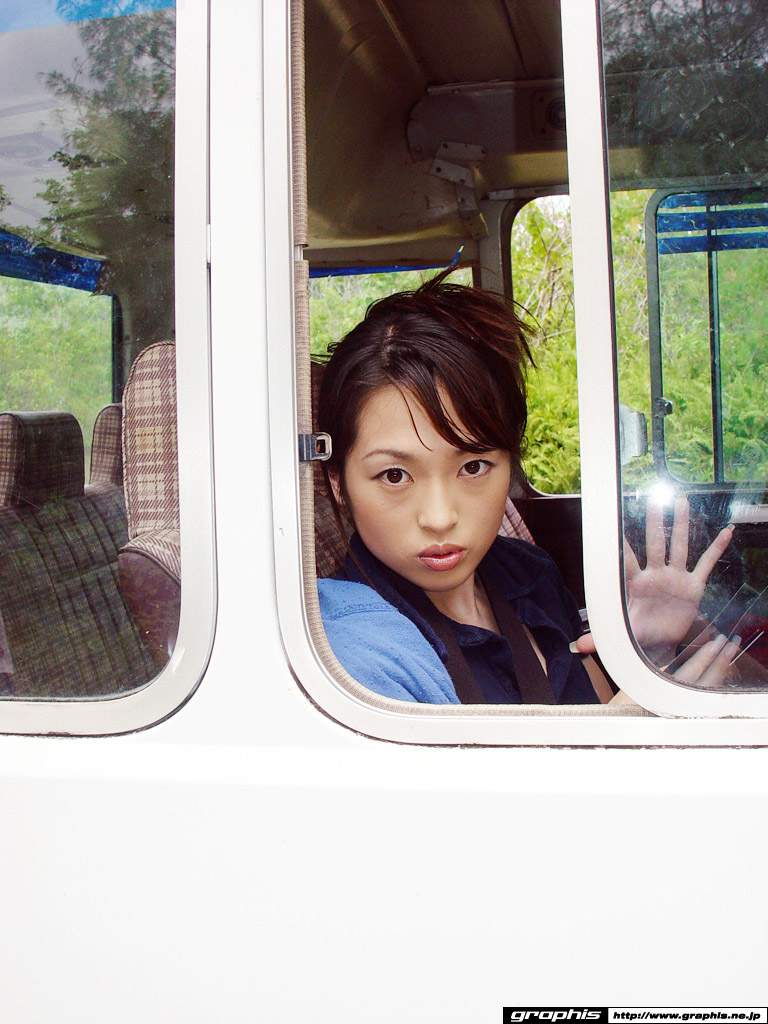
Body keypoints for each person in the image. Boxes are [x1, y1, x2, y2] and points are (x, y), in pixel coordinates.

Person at [316, 274, 739, 704]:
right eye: (394, 476)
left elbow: (592, 708)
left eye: (473, 467)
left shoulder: (527, 572)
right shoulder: (353, 655)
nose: (440, 517)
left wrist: (646, 654)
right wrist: (633, 733)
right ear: (338, 482)